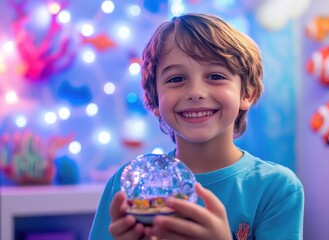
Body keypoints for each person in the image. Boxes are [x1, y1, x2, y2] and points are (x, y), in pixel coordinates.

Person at [89, 13, 304, 240]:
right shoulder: (127, 185)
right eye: (176, 79)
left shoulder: (276, 188)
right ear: (154, 99)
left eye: (215, 75)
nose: (195, 93)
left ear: (247, 93)